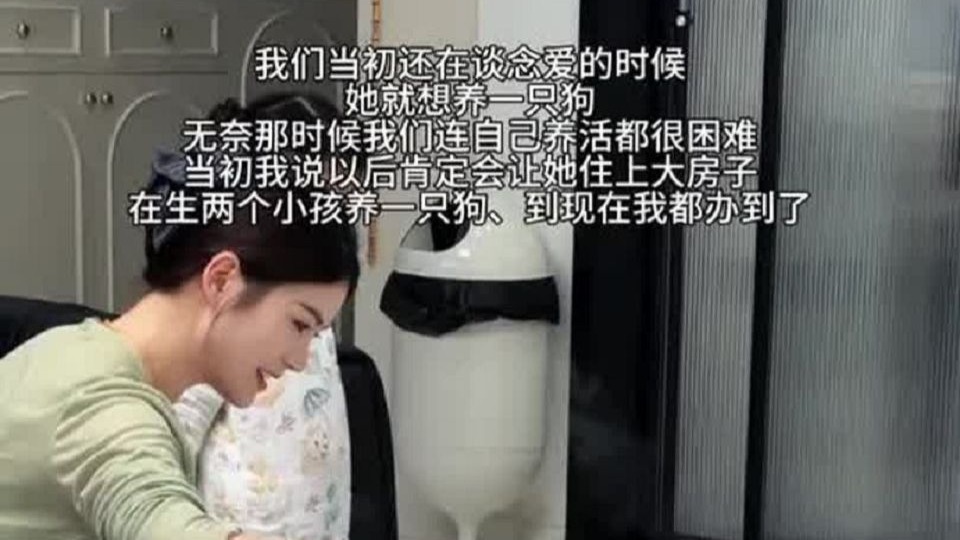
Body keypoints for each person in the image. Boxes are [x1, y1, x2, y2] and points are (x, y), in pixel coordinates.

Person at [0, 92, 361, 540]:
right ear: (222, 280)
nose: (301, 359)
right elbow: (157, 514)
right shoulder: (106, 411)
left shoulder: (66, 350)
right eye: (299, 324)